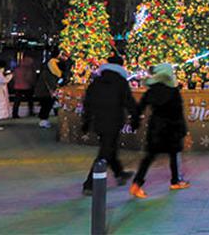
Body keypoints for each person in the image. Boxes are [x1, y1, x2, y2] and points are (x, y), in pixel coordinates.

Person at [129, 64, 190, 198]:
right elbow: (178, 113)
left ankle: (136, 184)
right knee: (174, 154)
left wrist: (135, 123)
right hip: (172, 129)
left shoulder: (151, 91)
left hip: (156, 128)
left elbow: (139, 109)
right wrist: (184, 132)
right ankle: (175, 181)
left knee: (149, 157)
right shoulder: (174, 92)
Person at [81, 54, 138, 195]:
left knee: (108, 147)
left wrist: (86, 122)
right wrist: (135, 119)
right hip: (114, 121)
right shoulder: (121, 82)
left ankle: (119, 174)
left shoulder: (96, 82)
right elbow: (129, 102)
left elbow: (87, 104)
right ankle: (89, 184)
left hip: (98, 121)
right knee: (104, 152)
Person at [35, 48, 67, 128]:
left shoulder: (49, 66)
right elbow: (51, 81)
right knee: (46, 105)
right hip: (46, 91)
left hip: (44, 90)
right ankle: (43, 120)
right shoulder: (52, 68)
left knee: (46, 105)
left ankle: (43, 120)